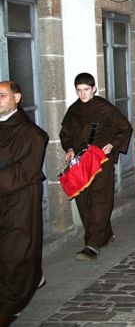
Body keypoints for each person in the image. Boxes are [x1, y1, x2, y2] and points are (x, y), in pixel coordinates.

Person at [60, 73, 133, 261]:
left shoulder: (105, 108)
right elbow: (65, 133)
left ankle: (92, 244)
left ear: (93, 88)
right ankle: (105, 235)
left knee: (100, 199)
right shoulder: (73, 110)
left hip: (100, 160)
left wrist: (112, 144)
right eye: (79, 90)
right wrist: (68, 148)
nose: (82, 94)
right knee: (83, 200)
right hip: (80, 162)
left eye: (86, 90)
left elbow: (125, 128)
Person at [0, 81, 48, 323]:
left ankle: (11, 305)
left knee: (14, 252)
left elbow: (24, 170)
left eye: (2, 95)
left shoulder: (32, 134)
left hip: (20, 201)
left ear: (17, 98)